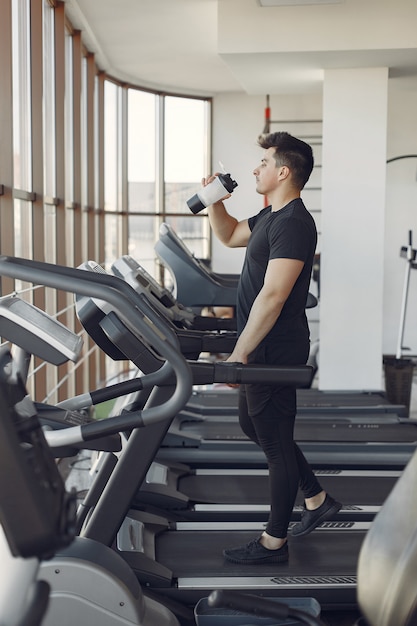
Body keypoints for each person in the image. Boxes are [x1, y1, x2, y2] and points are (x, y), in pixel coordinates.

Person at [203, 131, 341, 565]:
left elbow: (274, 296)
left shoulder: (295, 223)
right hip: (261, 345)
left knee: (276, 442)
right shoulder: (269, 216)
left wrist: (238, 354)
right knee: (255, 425)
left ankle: (273, 543)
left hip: (274, 347)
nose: (254, 169)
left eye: (263, 164)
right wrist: (214, 201)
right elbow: (227, 236)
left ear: (283, 172)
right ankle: (317, 498)